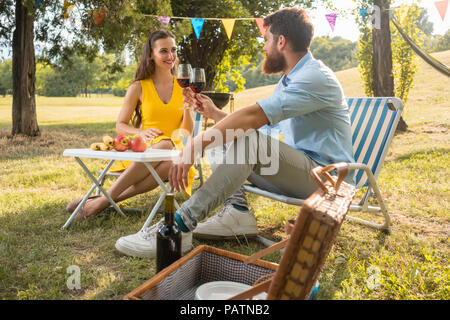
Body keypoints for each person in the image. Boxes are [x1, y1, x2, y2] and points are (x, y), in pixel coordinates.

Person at [115, 7, 355, 257]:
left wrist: (193, 146)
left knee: (239, 137)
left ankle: (179, 225)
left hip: (330, 182)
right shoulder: (292, 79)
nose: (264, 48)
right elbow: (256, 125)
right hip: (304, 172)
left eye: (267, 40)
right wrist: (215, 115)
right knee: (224, 135)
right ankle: (237, 212)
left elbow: (252, 119)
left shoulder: (313, 77)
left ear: (281, 41)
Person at [66, 30, 195, 243]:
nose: (170, 55)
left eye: (173, 50)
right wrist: (140, 132)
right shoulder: (138, 87)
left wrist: (189, 107)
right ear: (151, 55)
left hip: (174, 150)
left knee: (169, 151)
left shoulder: (184, 88)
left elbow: (187, 132)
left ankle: (101, 201)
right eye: (163, 51)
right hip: (146, 148)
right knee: (164, 148)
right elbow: (120, 125)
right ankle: (104, 201)